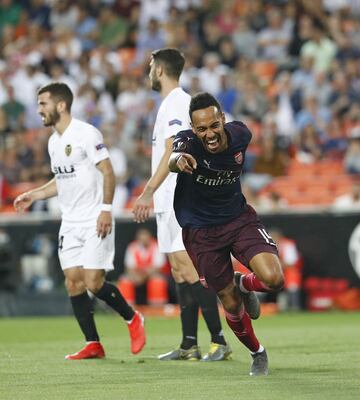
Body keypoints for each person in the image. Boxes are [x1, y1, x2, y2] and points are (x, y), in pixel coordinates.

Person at [13, 82, 146, 360]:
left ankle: (133, 318)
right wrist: (34, 195)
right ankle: (93, 344)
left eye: (43, 103)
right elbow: (61, 180)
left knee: (94, 282)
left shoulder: (86, 133)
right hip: (70, 222)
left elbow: (108, 172)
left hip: (95, 218)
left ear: (60, 105)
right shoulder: (53, 142)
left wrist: (106, 209)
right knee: (73, 282)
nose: (39, 109)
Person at [168, 92, 285, 375]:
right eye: (201, 129)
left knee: (275, 279)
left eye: (213, 126)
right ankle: (257, 353)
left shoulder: (241, 134)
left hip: (238, 219)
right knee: (230, 303)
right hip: (201, 232)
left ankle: (243, 283)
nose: (209, 134)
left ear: (222, 120)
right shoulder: (187, 143)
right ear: (193, 129)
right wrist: (179, 161)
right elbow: (175, 155)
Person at [133, 48, 232, 361]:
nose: (149, 72)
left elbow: (174, 150)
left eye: (151, 67)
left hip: (178, 197)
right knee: (178, 270)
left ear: (159, 70)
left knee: (189, 267)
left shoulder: (177, 101)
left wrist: (148, 190)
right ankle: (189, 343)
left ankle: (220, 341)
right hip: (167, 201)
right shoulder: (167, 104)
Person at [118, 227, 168, 305]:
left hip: (152, 275)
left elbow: (158, 267)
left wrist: (144, 276)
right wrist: (135, 276)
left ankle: (157, 307)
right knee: (125, 281)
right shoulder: (132, 247)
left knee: (157, 281)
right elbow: (129, 267)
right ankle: (127, 307)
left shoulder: (156, 246)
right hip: (136, 275)